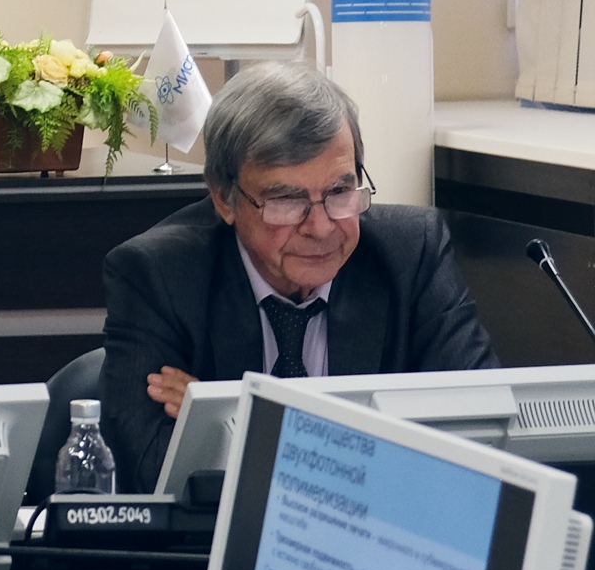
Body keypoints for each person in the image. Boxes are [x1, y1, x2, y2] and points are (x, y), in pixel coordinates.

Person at [99, 61, 498, 493]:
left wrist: (239, 424)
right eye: (287, 200)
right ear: (225, 199)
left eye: (340, 192)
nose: (321, 227)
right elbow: (150, 471)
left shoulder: (411, 253)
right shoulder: (158, 275)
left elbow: (482, 439)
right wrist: (371, 446)